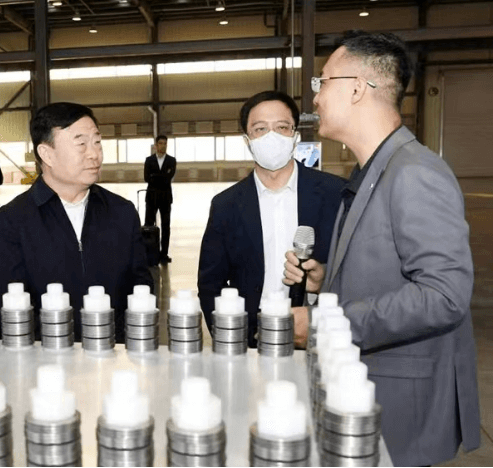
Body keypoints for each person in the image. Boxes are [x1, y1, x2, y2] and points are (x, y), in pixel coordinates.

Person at [283, 31, 479, 466]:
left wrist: (325, 324)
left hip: (399, 407)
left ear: (357, 88)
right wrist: (328, 280)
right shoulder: (374, 171)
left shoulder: (414, 173)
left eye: (323, 82)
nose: (315, 97)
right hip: (367, 394)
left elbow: (444, 295)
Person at [0, 102, 153, 342]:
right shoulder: (12, 221)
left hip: (112, 353)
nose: (94, 154)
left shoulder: (122, 213)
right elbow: (8, 307)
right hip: (46, 357)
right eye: (81, 144)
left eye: (97, 142)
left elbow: (141, 288)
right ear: (47, 154)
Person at [198, 91, 344, 347]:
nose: (272, 136)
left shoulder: (336, 194)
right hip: (251, 338)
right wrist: (230, 340)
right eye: (260, 129)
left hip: (318, 332)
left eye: (282, 127)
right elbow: (211, 284)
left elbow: (359, 274)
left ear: (295, 136)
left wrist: (323, 281)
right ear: (247, 140)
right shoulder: (226, 205)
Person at [143, 135, 176, 264]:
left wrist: (155, 176)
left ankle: (164, 254)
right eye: (161, 143)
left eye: (165, 143)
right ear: (156, 145)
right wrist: (162, 176)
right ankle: (149, 253)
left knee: (165, 226)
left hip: (165, 198)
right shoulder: (149, 160)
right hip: (151, 197)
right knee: (149, 225)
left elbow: (169, 178)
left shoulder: (171, 160)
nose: (163, 146)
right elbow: (147, 178)